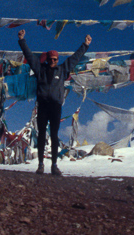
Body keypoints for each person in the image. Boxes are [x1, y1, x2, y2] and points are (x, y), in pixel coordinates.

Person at [17, 28, 91, 175]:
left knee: (55, 135)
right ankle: (40, 165)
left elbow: (75, 58)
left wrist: (85, 45)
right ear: (47, 59)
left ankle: (54, 165)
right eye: (50, 59)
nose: (52, 61)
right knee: (41, 134)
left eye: (55, 59)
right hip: (43, 105)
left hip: (56, 106)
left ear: (57, 60)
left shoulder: (63, 70)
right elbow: (29, 56)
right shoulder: (40, 69)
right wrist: (21, 40)